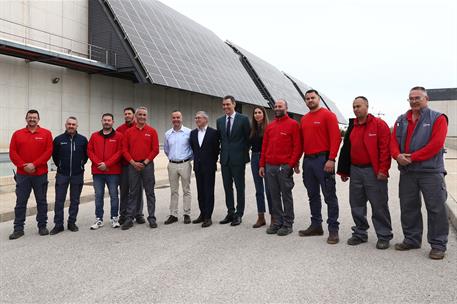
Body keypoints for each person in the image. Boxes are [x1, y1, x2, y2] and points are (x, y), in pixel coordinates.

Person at [391, 86, 449, 260]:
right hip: (408, 171)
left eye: (418, 97)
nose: (414, 101)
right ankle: (412, 239)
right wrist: (396, 155)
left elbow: (436, 144)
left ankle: (438, 245)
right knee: (408, 207)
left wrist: (413, 157)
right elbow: (393, 141)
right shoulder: (401, 120)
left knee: (436, 208)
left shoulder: (438, 118)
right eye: (411, 98)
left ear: (426, 98)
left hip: (430, 171)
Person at [337, 96, 393, 249]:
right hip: (355, 170)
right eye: (354, 106)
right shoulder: (353, 126)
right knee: (356, 204)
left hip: (373, 171)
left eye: (359, 106)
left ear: (367, 106)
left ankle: (384, 235)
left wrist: (383, 170)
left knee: (379, 205)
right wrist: (344, 170)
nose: (356, 109)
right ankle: (360, 233)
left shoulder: (379, 125)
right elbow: (347, 149)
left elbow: (385, 150)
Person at [299, 89, 342, 244]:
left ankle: (333, 230)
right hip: (308, 161)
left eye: (313, 97)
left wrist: (331, 159)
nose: (310, 100)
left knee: (329, 195)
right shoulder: (304, 119)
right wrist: (298, 160)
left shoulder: (328, 115)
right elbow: (301, 142)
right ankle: (316, 225)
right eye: (307, 98)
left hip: (323, 160)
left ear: (319, 99)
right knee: (313, 195)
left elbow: (335, 138)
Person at [259, 99, 301, 236]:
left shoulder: (293, 124)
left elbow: (297, 147)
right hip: (270, 167)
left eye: (280, 106)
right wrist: (262, 165)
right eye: (275, 106)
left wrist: (291, 165)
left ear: (286, 108)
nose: (277, 108)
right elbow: (264, 147)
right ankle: (277, 222)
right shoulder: (270, 126)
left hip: (284, 167)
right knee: (274, 196)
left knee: (286, 196)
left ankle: (288, 224)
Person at [9, 109, 53, 240]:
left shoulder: (46, 133)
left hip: (40, 174)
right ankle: (18, 229)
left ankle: (42, 226)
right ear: (26, 119)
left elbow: (48, 151)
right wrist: (23, 166)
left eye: (34, 117)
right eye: (30, 117)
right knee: (20, 202)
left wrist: (34, 164)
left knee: (41, 201)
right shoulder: (17, 134)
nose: (32, 119)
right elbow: (12, 152)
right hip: (23, 175)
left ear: (38, 119)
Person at [121, 107, 160, 230]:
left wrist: (145, 162)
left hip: (147, 165)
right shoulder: (129, 132)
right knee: (133, 192)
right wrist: (133, 162)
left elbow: (155, 149)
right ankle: (129, 218)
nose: (142, 117)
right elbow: (124, 150)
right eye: (140, 115)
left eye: (144, 115)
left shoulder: (152, 131)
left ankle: (152, 217)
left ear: (146, 116)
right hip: (133, 166)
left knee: (150, 192)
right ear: (135, 116)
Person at [50, 116, 88, 235]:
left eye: (73, 124)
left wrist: (81, 164)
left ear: (77, 126)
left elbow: (86, 156)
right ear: (65, 125)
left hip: (77, 174)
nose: (71, 126)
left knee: (75, 200)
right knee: (59, 200)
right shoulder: (58, 139)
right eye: (69, 124)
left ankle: (72, 222)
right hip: (62, 174)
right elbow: (55, 156)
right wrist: (60, 165)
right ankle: (58, 224)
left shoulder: (83, 140)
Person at [216, 95, 250, 226]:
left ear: (234, 104)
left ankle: (239, 214)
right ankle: (230, 212)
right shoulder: (219, 121)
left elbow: (248, 139)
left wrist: (242, 154)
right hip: (225, 160)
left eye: (228, 104)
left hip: (238, 160)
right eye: (223, 105)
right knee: (227, 187)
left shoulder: (243, 119)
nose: (225, 107)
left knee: (239, 187)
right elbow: (220, 140)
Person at [87, 113, 123, 230]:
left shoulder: (119, 136)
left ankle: (114, 218)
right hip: (98, 172)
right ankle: (99, 219)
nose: (106, 122)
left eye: (109, 120)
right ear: (101, 121)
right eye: (105, 120)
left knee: (114, 195)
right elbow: (90, 151)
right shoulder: (94, 136)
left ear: (113, 122)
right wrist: (99, 164)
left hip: (113, 172)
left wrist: (107, 164)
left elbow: (120, 152)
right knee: (98, 196)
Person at [190, 111, 220, 228]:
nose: (197, 120)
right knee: (200, 191)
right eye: (196, 118)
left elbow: (216, 149)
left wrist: (210, 161)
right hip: (198, 166)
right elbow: (194, 149)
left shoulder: (213, 133)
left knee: (208, 191)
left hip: (209, 166)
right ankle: (202, 213)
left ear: (206, 120)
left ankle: (208, 217)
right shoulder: (193, 134)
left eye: (199, 118)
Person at [163, 110, 193, 225]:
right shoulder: (168, 134)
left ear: (182, 118)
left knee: (186, 190)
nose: (176, 119)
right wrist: (172, 158)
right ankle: (173, 214)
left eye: (178, 117)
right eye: (174, 117)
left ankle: (187, 214)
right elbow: (166, 149)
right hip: (172, 165)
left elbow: (192, 148)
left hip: (185, 163)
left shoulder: (188, 132)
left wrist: (188, 159)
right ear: (172, 119)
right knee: (173, 191)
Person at [117, 107, 145, 225]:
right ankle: (123, 214)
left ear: (134, 115)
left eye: (129, 113)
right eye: (125, 114)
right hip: (124, 165)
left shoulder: (138, 127)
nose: (127, 115)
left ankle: (138, 214)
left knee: (137, 190)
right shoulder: (119, 129)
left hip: (136, 165)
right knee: (124, 190)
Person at [249, 106, 273, 228]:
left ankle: (273, 216)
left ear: (264, 114)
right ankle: (261, 216)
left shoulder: (269, 128)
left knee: (269, 189)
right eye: (255, 113)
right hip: (254, 158)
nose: (257, 115)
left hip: (267, 159)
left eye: (259, 112)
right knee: (259, 190)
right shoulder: (252, 129)